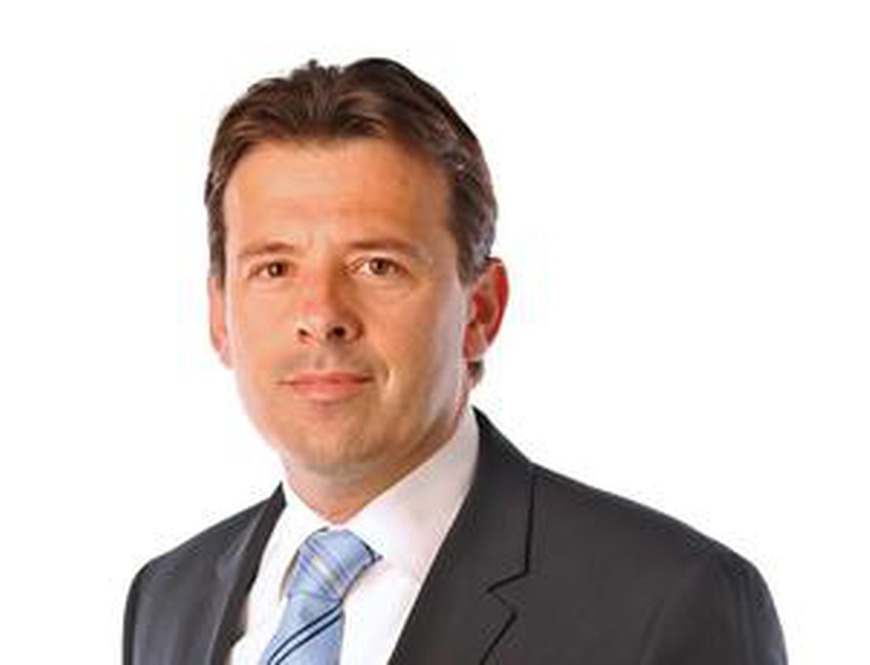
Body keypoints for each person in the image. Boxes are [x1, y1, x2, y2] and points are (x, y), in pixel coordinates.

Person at [123, 58, 787, 664]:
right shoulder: (167, 598)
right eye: (274, 268)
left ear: (480, 311)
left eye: (377, 265)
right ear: (220, 314)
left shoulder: (667, 601)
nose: (321, 314)